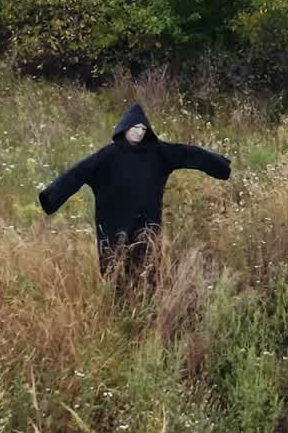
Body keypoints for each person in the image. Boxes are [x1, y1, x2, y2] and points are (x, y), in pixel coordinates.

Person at [38, 103, 231, 296]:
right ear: (124, 128)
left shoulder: (158, 153)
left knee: (147, 268)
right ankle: (116, 307)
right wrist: (50, 198)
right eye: (135, 128)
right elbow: (76, 174)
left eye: (143, 129)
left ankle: (145, 306)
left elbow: (190, 154)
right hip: (114, 221)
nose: (139, 133)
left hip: (146, 221)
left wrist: (220, 165)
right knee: (113, 270)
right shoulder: (107, 156)